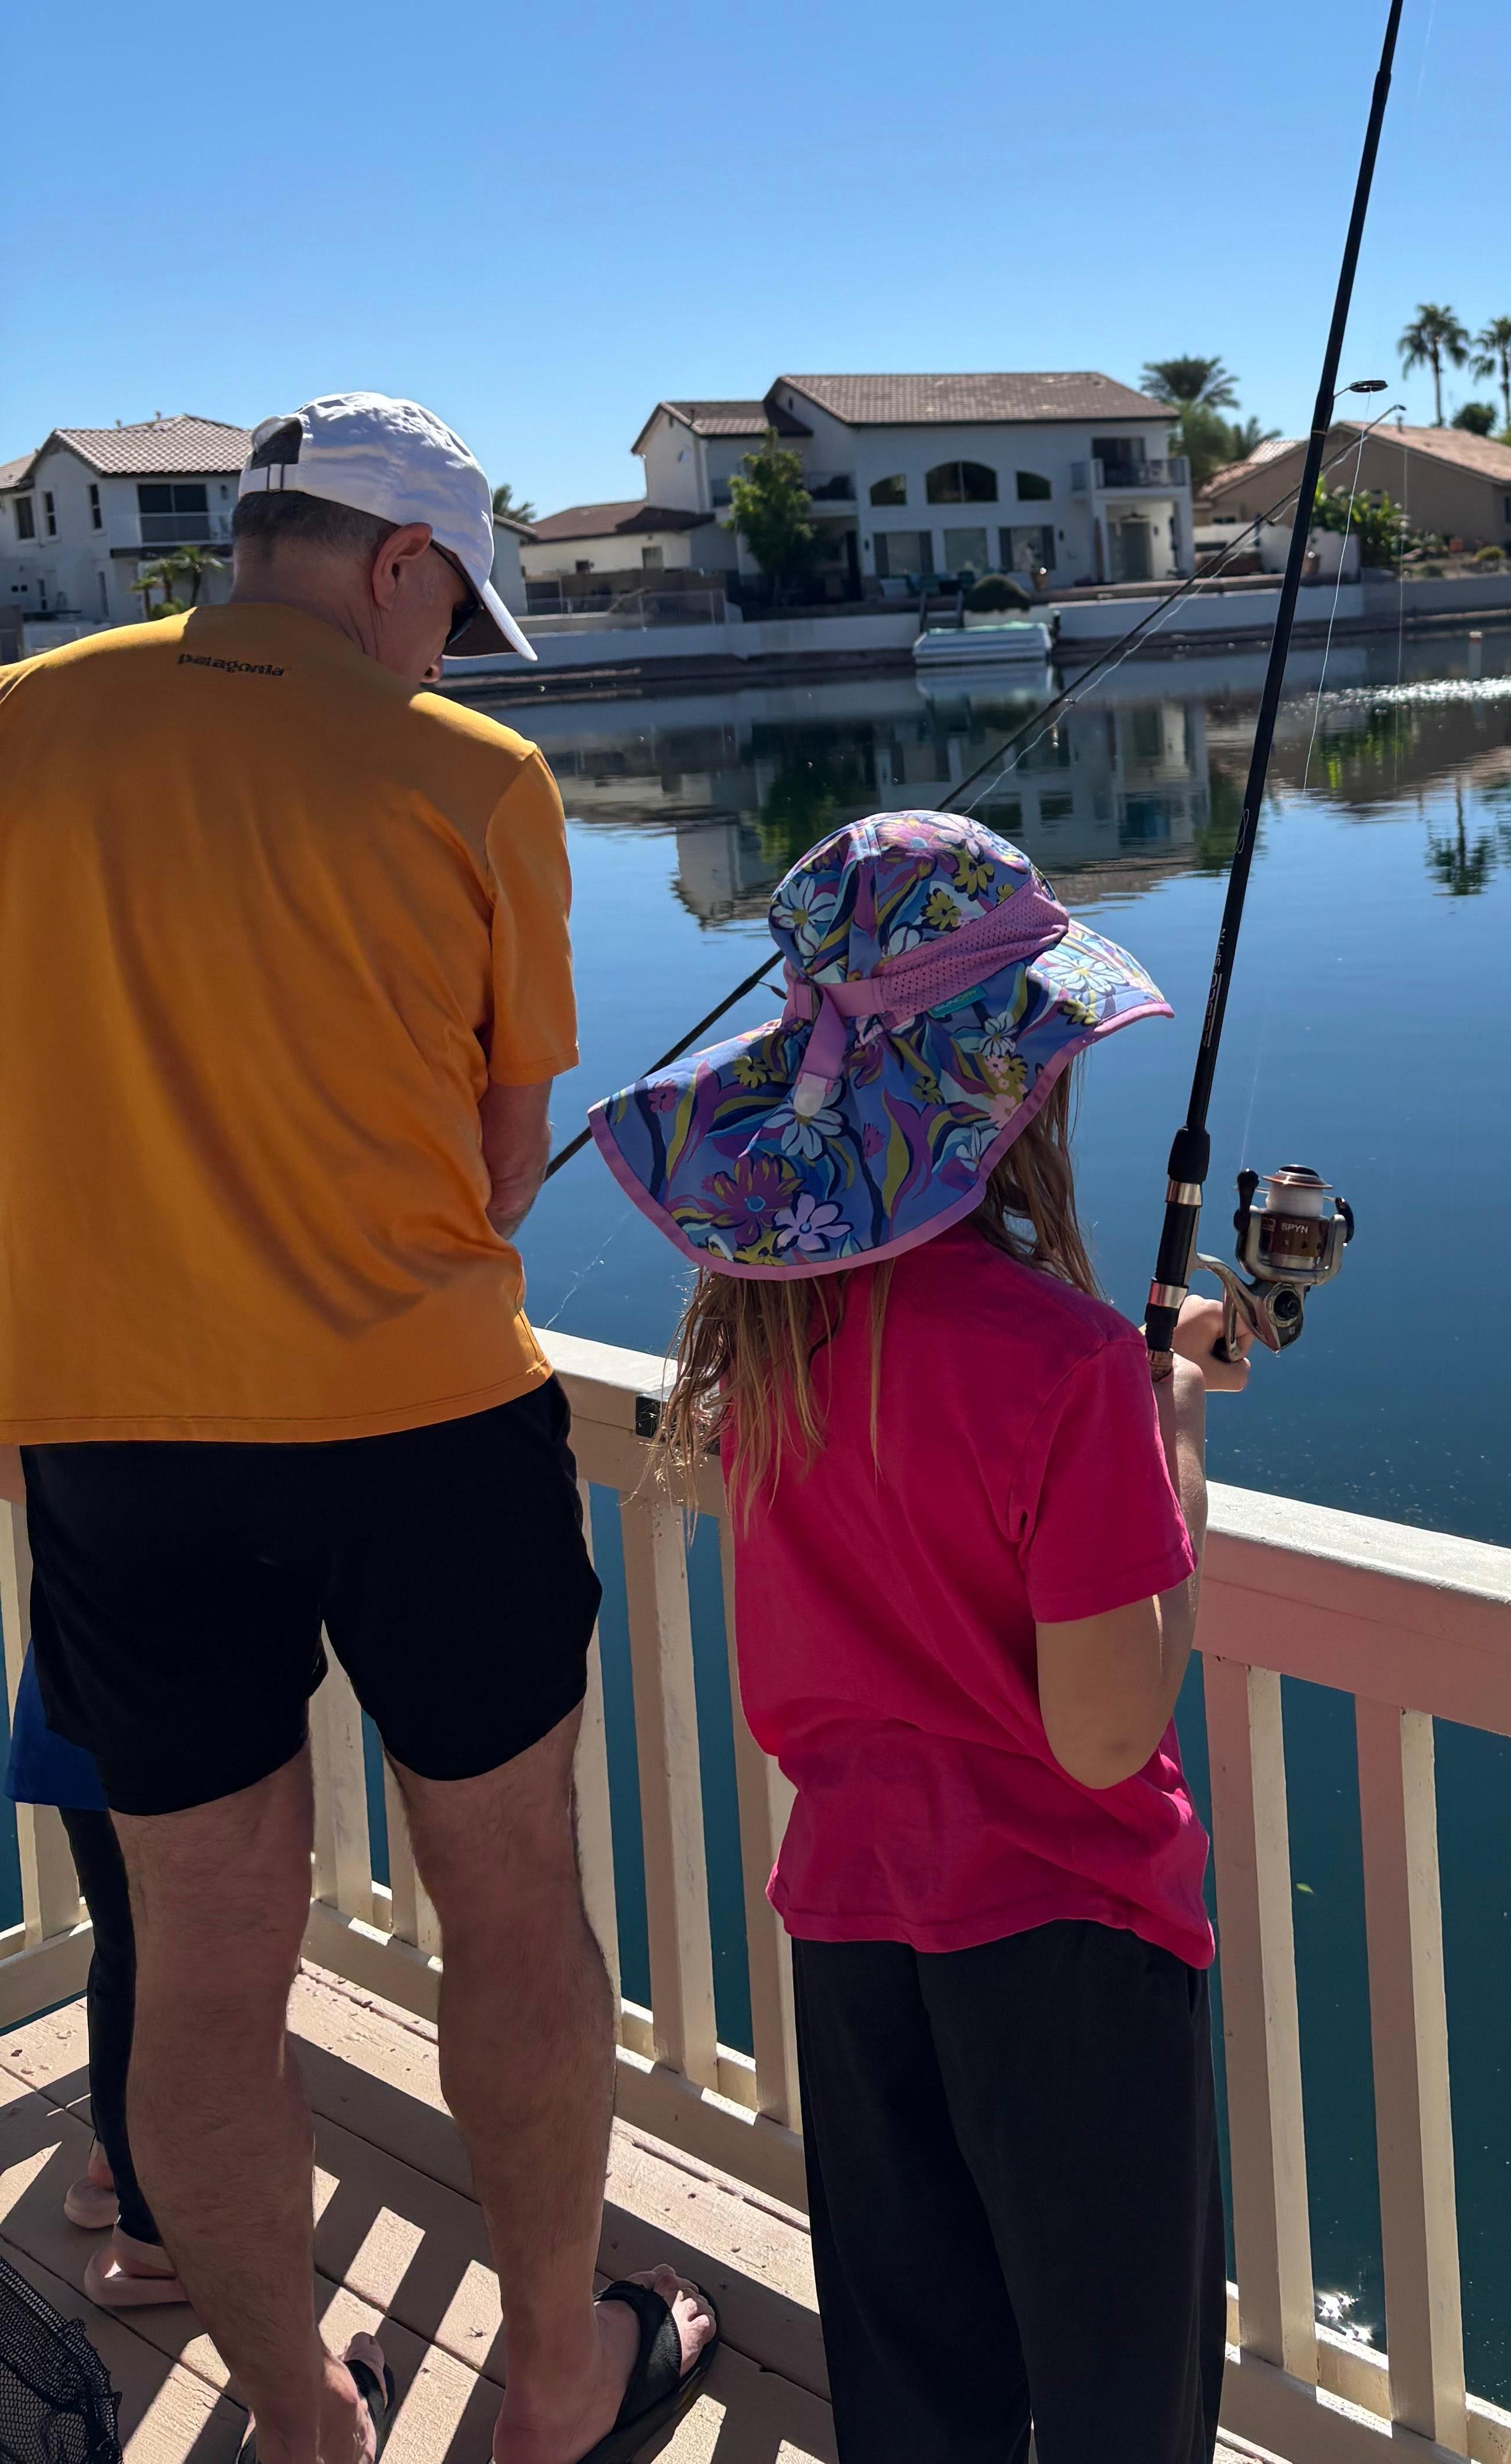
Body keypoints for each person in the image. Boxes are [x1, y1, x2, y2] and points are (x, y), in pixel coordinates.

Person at [0, 393, 715, 2464]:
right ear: (397, 562)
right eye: (450, 611)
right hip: (422, 1431)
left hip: (118, 1451)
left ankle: (308, 2425)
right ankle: (561, 2383)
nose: (446, 655)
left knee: (207, 1963)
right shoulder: (475, 776)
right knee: (510, 1906)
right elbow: (502, 1166)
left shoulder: (24, 728)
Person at [588, 810, 1250, 2464]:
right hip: (1072, 1953)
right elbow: (1102, 1732)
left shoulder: (775, 1336)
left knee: (920, 2394)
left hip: (853, 1927)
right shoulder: (1070, 1372)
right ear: (1006, 1090)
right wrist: (1168, 1408)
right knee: (1124, 2405)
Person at [0, 1637, 184, 2309]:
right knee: (170, 1969)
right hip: (152, 1717)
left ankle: (116, 2160)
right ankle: (153, 2235)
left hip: (75, 1697)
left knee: (126, 1953)